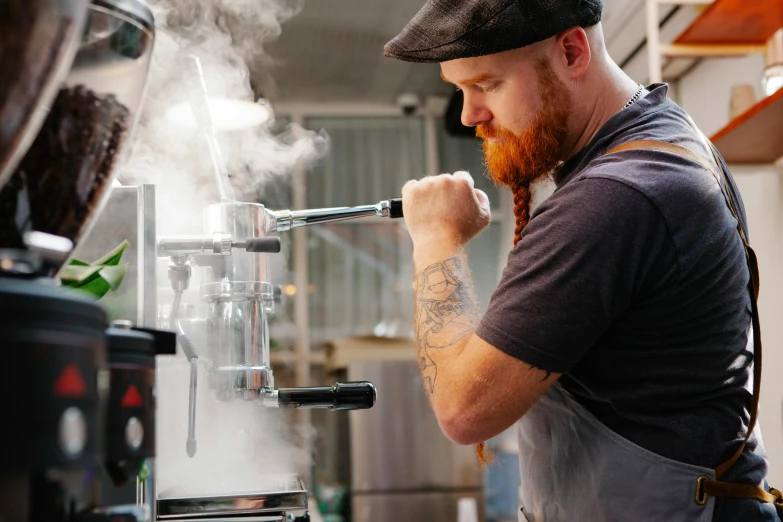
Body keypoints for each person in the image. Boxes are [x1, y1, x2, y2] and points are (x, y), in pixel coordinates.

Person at [384, 1, 782, 521]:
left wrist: (435, 237)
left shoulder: (618, 197)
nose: (468, 114)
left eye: (487, 84)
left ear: (572, 51)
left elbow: (464, 409)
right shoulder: (664, 138)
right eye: (460, 88)